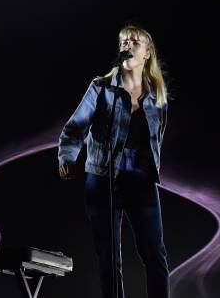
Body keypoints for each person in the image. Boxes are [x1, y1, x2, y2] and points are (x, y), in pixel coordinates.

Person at [57, 24, 169, 298]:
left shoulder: (157, 98)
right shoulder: (101, 88)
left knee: (155, 254)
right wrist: (67, 155)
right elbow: (75, 128)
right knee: (108, 256)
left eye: (134, 41)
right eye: (123, 42)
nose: (127, 45)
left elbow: (157, 139)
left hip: (141, 181)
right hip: (102, 178)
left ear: (147, 53)